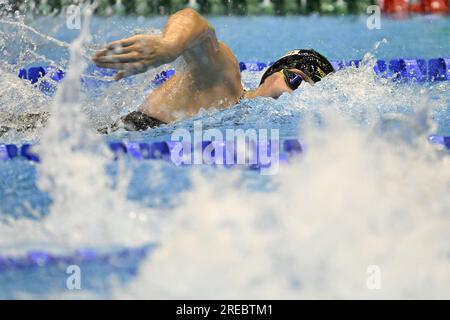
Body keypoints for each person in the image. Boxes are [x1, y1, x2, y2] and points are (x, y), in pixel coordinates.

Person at [93, 8, 334, 133]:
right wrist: (170, 45)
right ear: (271, 73)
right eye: (296, 80)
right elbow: (194, 21)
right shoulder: (227, 81)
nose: (294, 95)